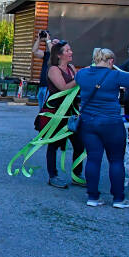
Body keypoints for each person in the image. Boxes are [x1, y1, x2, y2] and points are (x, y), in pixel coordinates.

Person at [76, 48, 129, 208]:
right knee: (116, 160)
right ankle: (118, 199)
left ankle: (92, 197)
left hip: (88, 122)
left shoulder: (82, 74)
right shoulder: (115, 75)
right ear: (111, 61)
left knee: (93, 159)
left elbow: (79, 78)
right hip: (111, 123)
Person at [44, 41, 85, 189]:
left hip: (72, 112)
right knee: (53, 144)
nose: (71, 52)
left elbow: (77, 87)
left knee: (79, 144)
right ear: (59, 55)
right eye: (67, 50)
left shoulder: (71, 68)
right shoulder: (53, 69)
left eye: (70, 49)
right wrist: (79, 77)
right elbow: (63, 88)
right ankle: (53, 176)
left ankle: (77, 175)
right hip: (57, 113)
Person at [32, 31, 60, 109]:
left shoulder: (59, 56)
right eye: (52, 42)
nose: (52, 43)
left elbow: (53, 53)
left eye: (55, 43)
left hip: (50, 88)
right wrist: (39, 39)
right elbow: (34, 51)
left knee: (46, 110)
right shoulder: (47, 54)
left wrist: (48, 40)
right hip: (42, 86)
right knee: (41, 110)